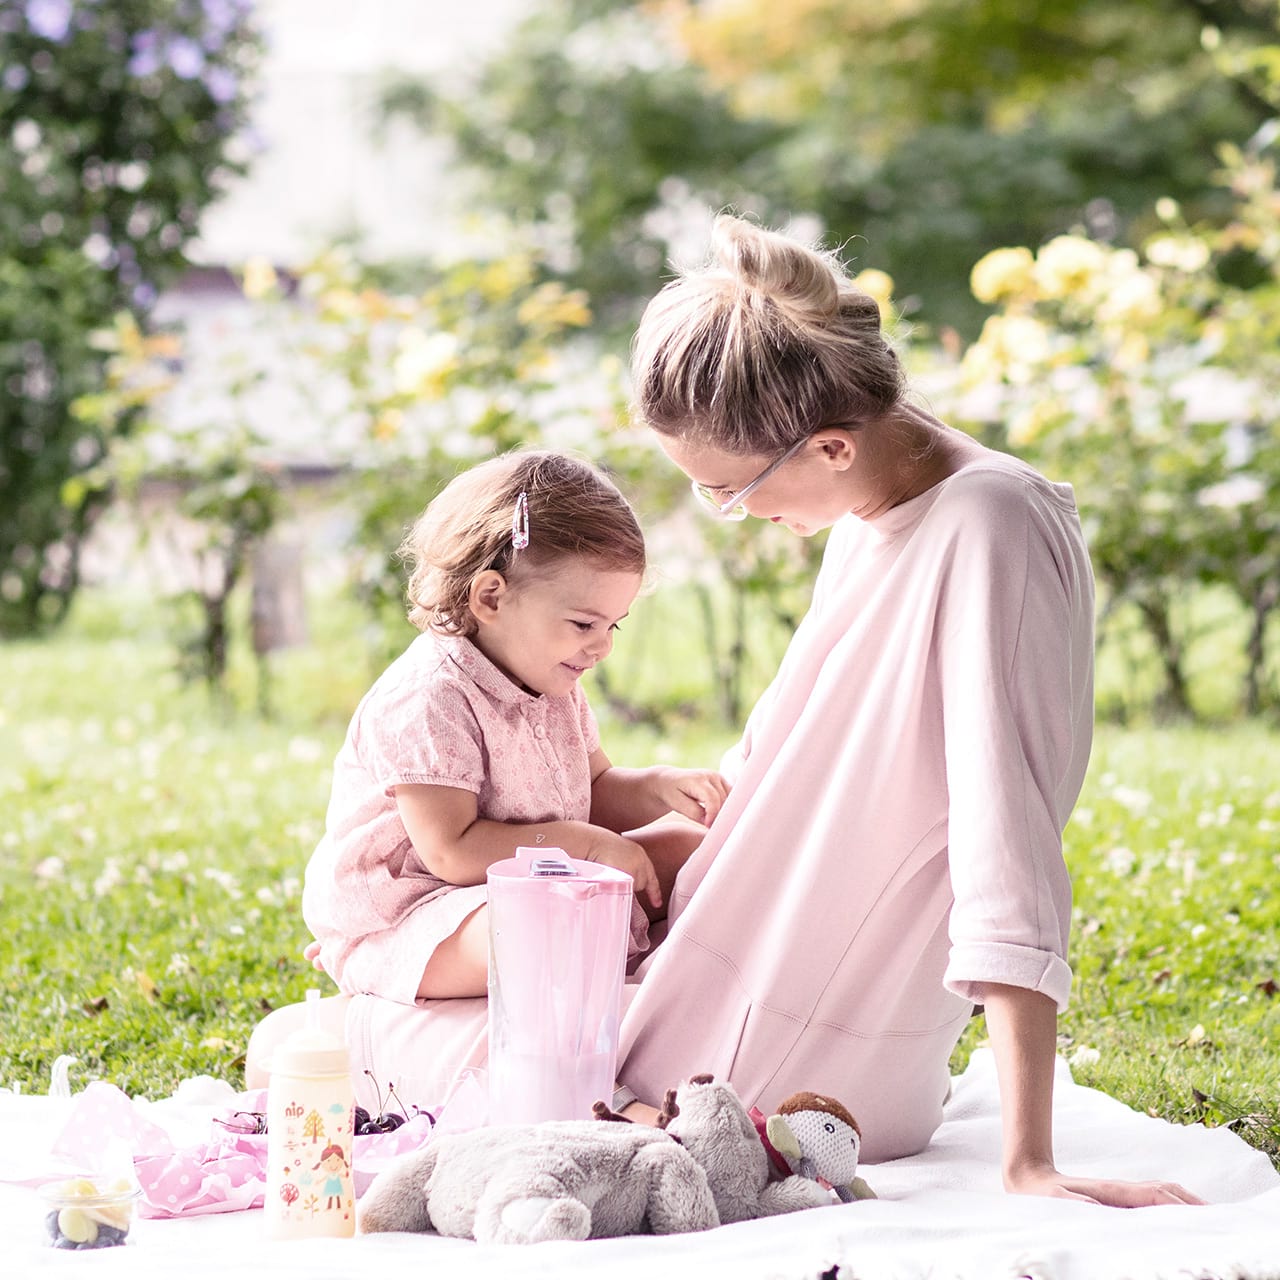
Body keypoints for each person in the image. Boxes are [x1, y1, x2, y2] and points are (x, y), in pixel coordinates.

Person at [609, 213, 1203, 1207]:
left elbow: (1003, 844)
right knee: (402, 996)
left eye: (727, 492)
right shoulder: (866, 507)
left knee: (416, 1052)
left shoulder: (988, 525)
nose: (738, 514)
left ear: (831, 445)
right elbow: (787, 757)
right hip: (739, 951)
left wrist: (1028, 1161)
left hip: (798, 1054)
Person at [246, 451, 727, 1083]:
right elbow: (451, 851)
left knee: (702, 849)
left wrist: (660, 788)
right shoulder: (428, 698)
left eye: (614, 624)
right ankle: (576, 983)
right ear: (491, 596)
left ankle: (658, 963)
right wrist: (586, 845)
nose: (603, 645)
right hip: (424, 911)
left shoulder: (553, 685)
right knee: (536, 923)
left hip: (537, 880)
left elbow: (596, 791)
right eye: (584, 622)